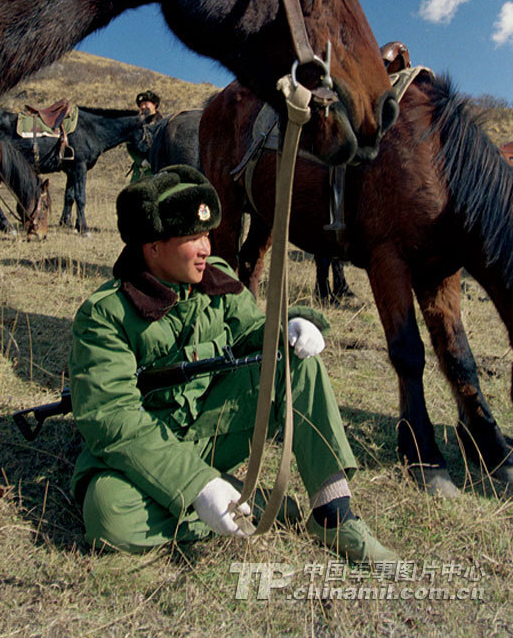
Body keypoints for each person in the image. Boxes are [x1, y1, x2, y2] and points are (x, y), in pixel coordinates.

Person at [69, 165, 397, 561]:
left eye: (207, 234)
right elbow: (112, 419)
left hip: (213, 431)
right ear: (153, 245)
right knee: (107, 517)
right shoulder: (105, 315)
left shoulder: (216, 279)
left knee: (296, 364)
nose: (207, 248)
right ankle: (255, 506)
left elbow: (250, 333)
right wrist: (196, 485)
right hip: (149, 448)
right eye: (193, 238)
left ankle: (333, 514)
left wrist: (287, 328)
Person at [126, 90, 162, 182]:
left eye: (146, 103)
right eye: (141, 105)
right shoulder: (137, 125)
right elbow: (130, 146)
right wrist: (141, 161)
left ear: (154, 104)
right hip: (140, 172)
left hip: (157, 171)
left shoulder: (163, 125)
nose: (143, 107)